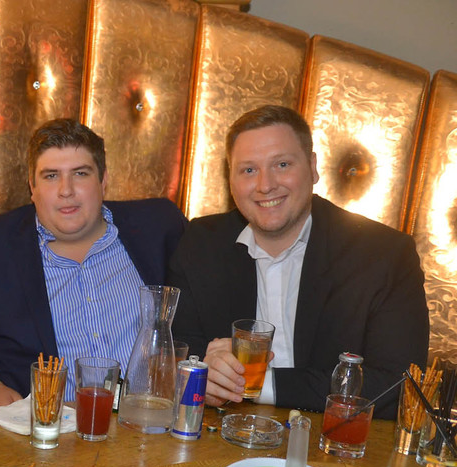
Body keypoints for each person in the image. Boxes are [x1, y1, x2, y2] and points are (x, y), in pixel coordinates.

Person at [169, 104, 429, 413]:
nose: (266, 185)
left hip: (333, 437)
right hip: (225, 433)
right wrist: (205, 374)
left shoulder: (383, 254)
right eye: (249, 170)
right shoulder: (201, 241)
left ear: (313, 167)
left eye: (282, 164)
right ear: (231, 180)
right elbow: (178, 348)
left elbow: (398, 384)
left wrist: (257, 383)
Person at [0, 118, 187, 408]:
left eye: (80, 173)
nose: (66, 190)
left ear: (103, 180)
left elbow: (202, 320)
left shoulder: (160, 227)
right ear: (32, 187)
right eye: (51, 176)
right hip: (49, 427)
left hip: (148, 418)